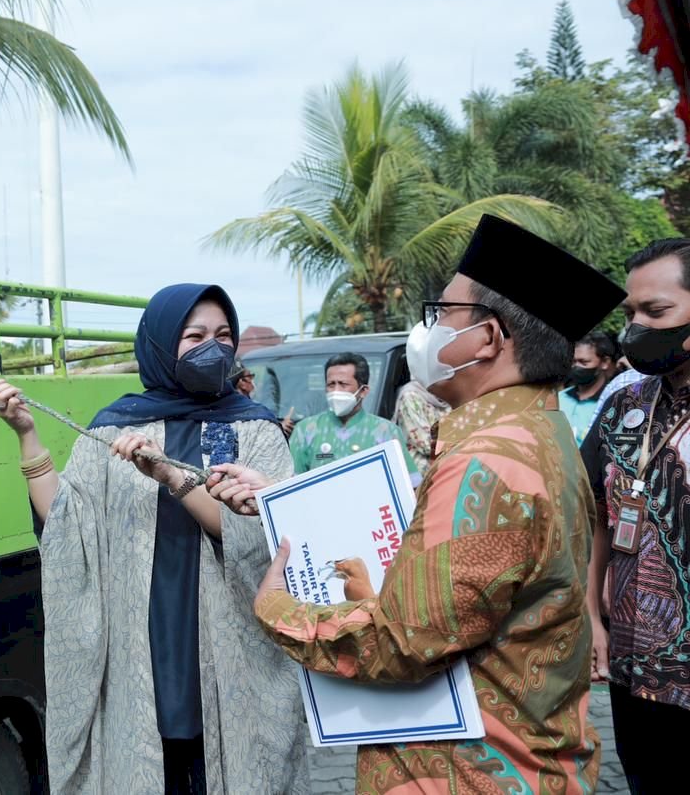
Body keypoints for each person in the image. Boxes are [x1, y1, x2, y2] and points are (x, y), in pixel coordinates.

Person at [208, 213, 624, 793]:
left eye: (443, 313)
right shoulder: (543, 433)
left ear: (489, 337)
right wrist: (288, 500)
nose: (426, 331)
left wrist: (277, 608)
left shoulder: (484, 460)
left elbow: (401, 641)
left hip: (463, 772)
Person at [0, 283, 309, 794]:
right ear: (160, 344)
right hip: (144, 644)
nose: (214, 348)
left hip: (230, 645)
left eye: (224, 335)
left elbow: (261, 540)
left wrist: (170, 476)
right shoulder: (118, 425)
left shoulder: (256, 429)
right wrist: (26, 433)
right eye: (195, 335)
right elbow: (67, 525)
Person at [582, 238, 690, 794]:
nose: (637, 328)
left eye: (656, 312)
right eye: (631, 313)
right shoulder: (625, 405)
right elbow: (599, 513)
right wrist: (592, 616)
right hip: (633, 671)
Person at [288, 352, 420, 485]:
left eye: (343, 384)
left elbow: (409, 483)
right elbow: (291, 483)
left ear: (363, 391)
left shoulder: (385, 431)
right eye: (331, 384)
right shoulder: (305, 431)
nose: (336, 390)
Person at [559, 330, 619, 445]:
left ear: (605, 362)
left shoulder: (612, 404)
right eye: (573, 362)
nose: (576, 367)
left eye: (584, 362)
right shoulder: (559, 398)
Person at [390, 377, 450, 475]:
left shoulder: (445, 395)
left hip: (447, 462)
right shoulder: (410, 396)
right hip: (423, 473)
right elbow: (425, 444)